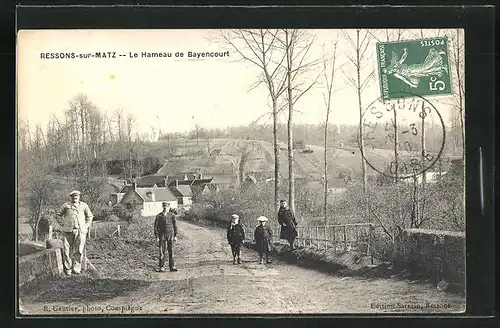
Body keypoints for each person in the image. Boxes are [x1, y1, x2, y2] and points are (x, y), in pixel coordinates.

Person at [55, 190, 94, 275]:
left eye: (76, 196)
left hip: (80, 231)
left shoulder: (84, 205)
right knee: (66, 250)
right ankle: (68, 268)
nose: (75, 198)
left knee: (79, 250)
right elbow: (58, 215)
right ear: (71, 197)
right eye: (73, 196)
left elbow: (90, 216)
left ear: (79, 197)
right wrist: (63, 224)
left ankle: (77, 268)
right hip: (67, 231)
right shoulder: (66, 205)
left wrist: (85, 226)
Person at [154, 202, 178, 272]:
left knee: (171, 250)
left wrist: (175, 235)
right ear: (162, 207)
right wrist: (157, 236)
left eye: (167, 207)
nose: (165, 208)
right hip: (162, 235)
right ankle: (161, 266)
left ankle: (172, 266)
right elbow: (156, 226)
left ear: (169, 207)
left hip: (170, 234)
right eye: (164, 207)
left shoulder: (172, 215)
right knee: (162, 251)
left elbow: (175, 226)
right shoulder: (159, 216)